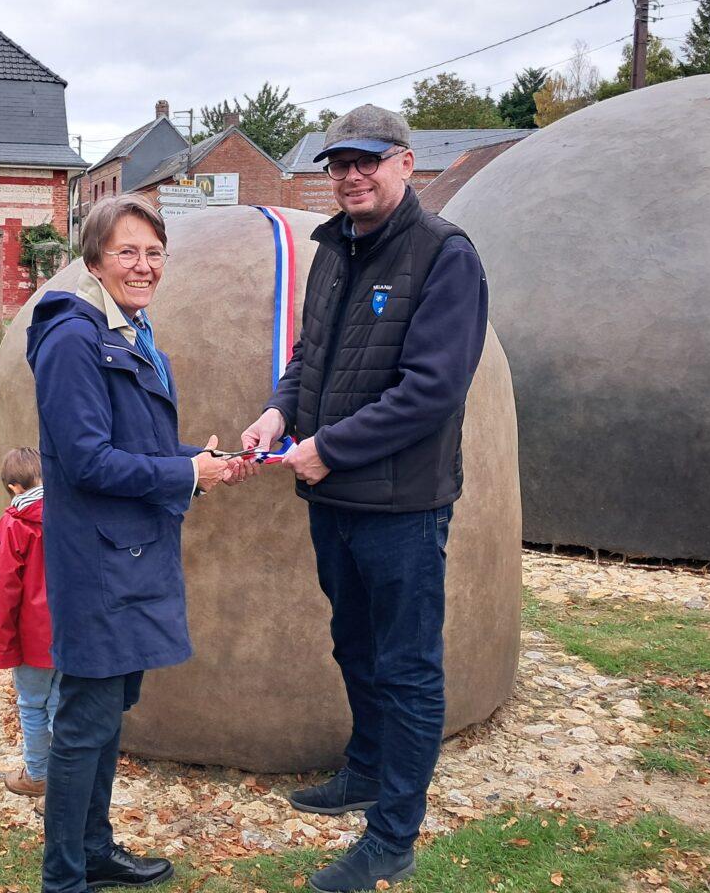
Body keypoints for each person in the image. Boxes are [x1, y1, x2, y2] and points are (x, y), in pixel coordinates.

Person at [240, 105, 489, 893]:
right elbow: (310, 357)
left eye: (367, 161)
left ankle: (393, 837)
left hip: (403, 506)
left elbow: (432, 390)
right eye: (340, 163)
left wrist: (328, 448)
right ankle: (367, 770)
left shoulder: (444, 255)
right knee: (354, 644)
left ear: (405, 164)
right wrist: (280, 412)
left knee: (407, 667)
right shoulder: (334, 250)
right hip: (334, 498)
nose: (351, 176)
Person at [26, 193, 236, 893]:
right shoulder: (73, 339)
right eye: (127, 252)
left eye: (154, 253)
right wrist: (185, 474)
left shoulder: (131, 331)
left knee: (106, 715)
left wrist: (196, 464)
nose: (143, 266)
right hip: (98, 561)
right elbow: (87, 461)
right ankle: (64, 878)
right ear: (95, 260)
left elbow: (133, 444)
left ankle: (92, 850)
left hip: (131, 552)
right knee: (85, 721)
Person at [0, 446, 55, 800]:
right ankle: (68, 775)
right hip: (71, 632)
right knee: (62, 704)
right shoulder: (68, 514)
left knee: (32, 704)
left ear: (14, 487)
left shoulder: (13, 525)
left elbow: (7, 589)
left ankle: (39, 774)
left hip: (33, 637)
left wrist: (6, 643)